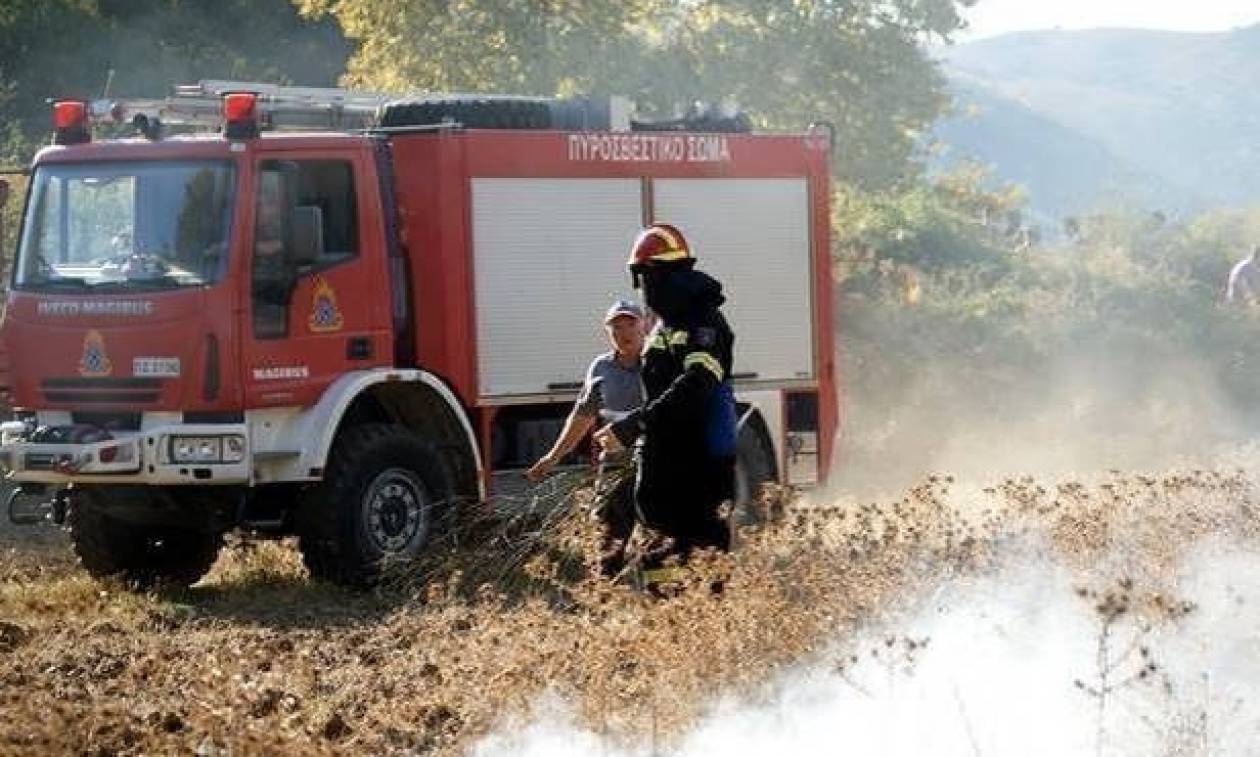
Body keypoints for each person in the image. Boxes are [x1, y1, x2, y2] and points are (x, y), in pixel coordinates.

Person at [594, 223, 736, 590]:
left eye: (645, 278)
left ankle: (703, 634)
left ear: (657, 274)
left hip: (698, 467)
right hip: (665, 465)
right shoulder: (663, 326)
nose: (644, 290)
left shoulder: (703, 322)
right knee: (659, 558)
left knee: (699, 562)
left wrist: (634, 424)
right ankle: (669, 629)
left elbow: (697, 385)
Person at [527, 298, 647, 578]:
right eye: (616, 327)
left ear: (644, 326)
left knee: (657, 539)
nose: (624, 333)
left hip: (653, 465)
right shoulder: (601, 368)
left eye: (631, 324)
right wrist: (552, 457)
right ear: (608, 332)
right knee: (605, 538)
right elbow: (582, 417)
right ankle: (605, 597)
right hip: (615, 468)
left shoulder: (658, 363)